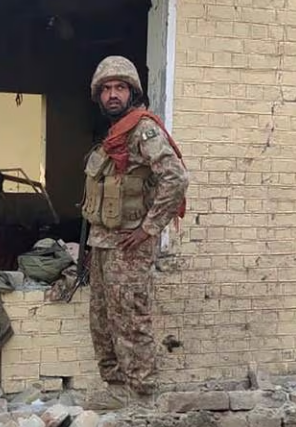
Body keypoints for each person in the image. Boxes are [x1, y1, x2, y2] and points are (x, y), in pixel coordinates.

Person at [81, 56, 189, 409]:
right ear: (99, 96)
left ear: (132, 92)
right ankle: (116, 388)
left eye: (120, 88)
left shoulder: (143, 129)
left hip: (129, 246)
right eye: (107, 89)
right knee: (102, 321)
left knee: (130, 320)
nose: (113, 95)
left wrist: (150, 227)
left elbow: (175, 178)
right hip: (103, 242)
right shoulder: (114, 135)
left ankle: (142, 396)